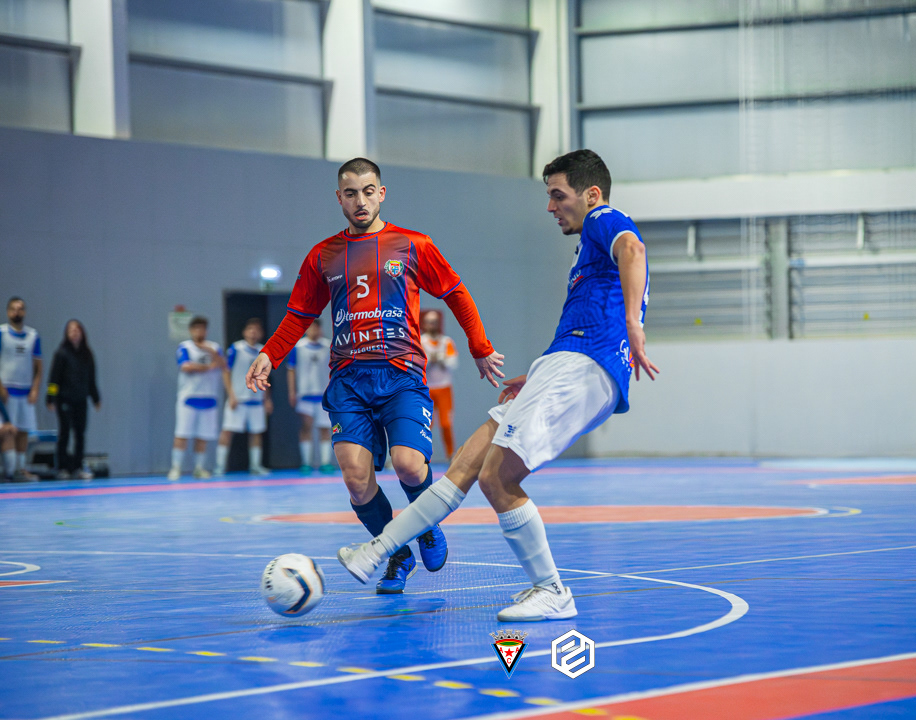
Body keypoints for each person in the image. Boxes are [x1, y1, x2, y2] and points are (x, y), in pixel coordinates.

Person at [337, 149, 658, 622]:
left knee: (498, 476)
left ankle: (552, 591)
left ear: (591, 194)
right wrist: (540, 371)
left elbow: (633, 250)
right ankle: (376, 550)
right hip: (565, 363)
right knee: (465, 465)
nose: (550, 206)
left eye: (558, 195)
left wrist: (633, 324)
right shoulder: (589, 244)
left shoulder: (602, 219)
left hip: (585, 366)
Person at [245, 157, 505, 595]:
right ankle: (397, 554)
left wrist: (479, 347)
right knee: (355, 477)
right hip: (349, 380)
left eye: (368, 191)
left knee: (408, 464)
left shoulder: (413, 244)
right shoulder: (323, 255)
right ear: (339, 198)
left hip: (401, 374)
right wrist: (270, 353)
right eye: (351, 193)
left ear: (381, 193)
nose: (360, 201)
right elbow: (299, 315)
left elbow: (456, 293)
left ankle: (426, 527)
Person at [168, 316, 225, 481]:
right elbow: (186, 367)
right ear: (191, 330)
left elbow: (223, 364)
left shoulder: (214, 347)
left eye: (203, 328)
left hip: (209, 398)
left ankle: (199, 468)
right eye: (196, 328)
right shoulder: (185, 347)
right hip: (188, 397)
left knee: (203, 435)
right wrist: (208, 367)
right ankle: (176, 468)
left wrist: (209, 351)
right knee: (182, 433)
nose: (200, 332)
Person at [216, 318, 273, 476]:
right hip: (238, 399)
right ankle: (219, 466)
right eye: (250, 329)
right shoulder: (236, 348)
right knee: (227, 431)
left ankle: (255, 466)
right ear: (244, 332)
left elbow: (266, 377)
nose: (253, 332)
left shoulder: (264, 351)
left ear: (261, 333)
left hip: (256, 400)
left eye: (257, 330)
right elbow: (226, 371)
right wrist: (231, 395)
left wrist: (267, 399)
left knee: (256, 433)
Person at [46, 320, 101, 480]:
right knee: (65, 433)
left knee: (80, 434)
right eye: (71, 330)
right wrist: (50, 398)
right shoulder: (61, 354)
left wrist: (96, 398)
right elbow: (54, 379)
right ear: (67, 334)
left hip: (81, 400)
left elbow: (91, 379)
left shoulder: (87, 355)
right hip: (64, 400)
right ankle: (62, 467)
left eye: (77, 330)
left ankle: (77, 467)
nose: (74, 333)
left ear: (82, 333)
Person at [0, 297, 43, 481]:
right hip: (6, 392)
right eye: (13, 308)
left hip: (25, 391)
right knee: (9, 430)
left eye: (20, 308)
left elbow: (38, 367)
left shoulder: (33, 336)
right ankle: (8, 470)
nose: (17, 312)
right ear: (8, 311)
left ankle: (21, 468)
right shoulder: (2, 333)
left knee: (23, 430)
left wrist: (35, 389)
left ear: (24, 312)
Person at [287, 319, 334, 473]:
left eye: (316, 328)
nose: (313, 331)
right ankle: (306, 462)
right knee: (306, 427)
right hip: (305, 394)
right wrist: (292, 391)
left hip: (323, 394)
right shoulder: (298, 347)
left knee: (325, 428)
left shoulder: (328, 346)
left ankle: (325, 462)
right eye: (311, 328)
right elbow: (291, 370)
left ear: (320, 329)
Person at [420, 309, 458, 460]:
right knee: (426, 424)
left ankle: (451, 454)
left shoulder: (446, 342)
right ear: (424, 324)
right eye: (429, 322)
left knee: (446, 424)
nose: (432, 325)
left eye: (435, 322)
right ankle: (424, 455)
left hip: (444, 388)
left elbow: (453, 362)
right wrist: (431, 359)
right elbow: (418, 363)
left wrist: (439, 358)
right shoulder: (421, 341)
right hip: (427, 389)